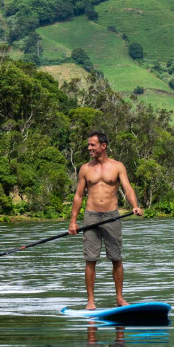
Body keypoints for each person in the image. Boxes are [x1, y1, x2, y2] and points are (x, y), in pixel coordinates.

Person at [68, 131, 142, 309]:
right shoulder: (85, 169)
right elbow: (78, 196)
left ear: (103, 146)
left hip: (112, 216)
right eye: (88, 145)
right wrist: (73, 221)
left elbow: (128, 188)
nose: (89, 148)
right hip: (91, 216)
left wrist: (135, 205)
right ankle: (91, 301)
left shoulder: (117, 166)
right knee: (90, 259)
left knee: (116, 258)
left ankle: (119, 298)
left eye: (92, 145)